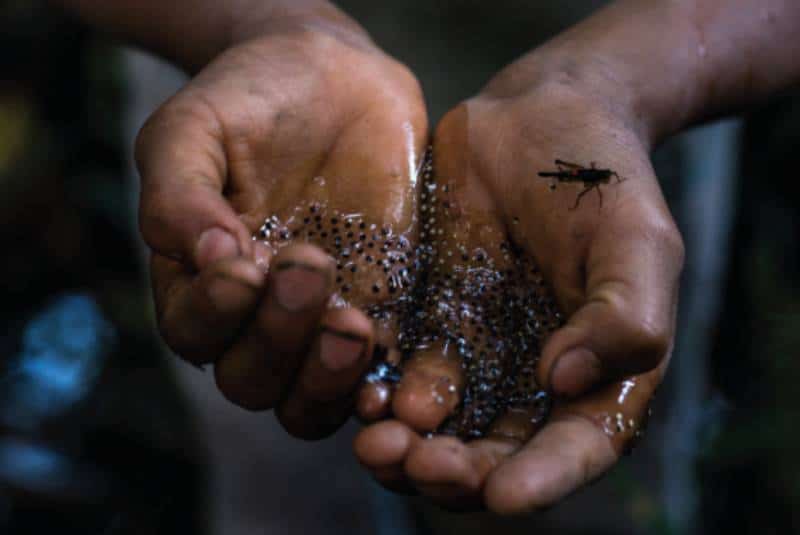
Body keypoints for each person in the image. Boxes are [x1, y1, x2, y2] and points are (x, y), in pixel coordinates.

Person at [54, 0, 800, 514]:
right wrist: (264, 20)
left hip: (646, 79)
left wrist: (618, 87)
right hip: (261, 103)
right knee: (278, 466)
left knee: (607, 436)